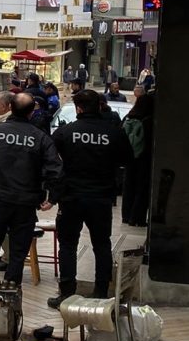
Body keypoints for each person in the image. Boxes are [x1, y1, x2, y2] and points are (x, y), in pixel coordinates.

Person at [0, 93, 62, 313]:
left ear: (10, 107)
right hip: (26, 203)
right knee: (18, 252)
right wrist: (51, 197)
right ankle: (10, 295)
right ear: (32, 111)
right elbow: (55, 170)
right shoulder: (40, 138)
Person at [48, 90, 134, 308]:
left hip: (71, 197)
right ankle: (101, 291)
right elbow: (128, 159)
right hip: (101, 197)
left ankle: (67, 292)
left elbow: (51, 163)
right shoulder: (114, 133)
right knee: (102, 244)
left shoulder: (65, 132)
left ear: (78, 108)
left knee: (67, 245)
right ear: (100, 106)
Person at [122, 92, 155, 227]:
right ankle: (137, 218)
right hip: (144, 159)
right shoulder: (150, 121)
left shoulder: (128, 118)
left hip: (129, 159)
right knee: (142, 188)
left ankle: (126, 216)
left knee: (128, 186)